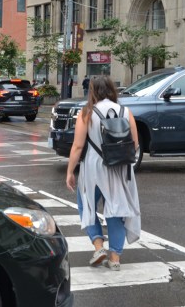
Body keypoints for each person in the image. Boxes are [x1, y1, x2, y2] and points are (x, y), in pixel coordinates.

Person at [65, 75, 141, 271]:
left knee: (87, 205)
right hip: (120, 168)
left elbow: (78, 146)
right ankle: (115, 258)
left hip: (94, 168)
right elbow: (135, 144)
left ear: (92, 91)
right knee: (117, 211)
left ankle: (98, 247)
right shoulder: (125, 111)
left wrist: (70, 171)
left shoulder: (87, 113)